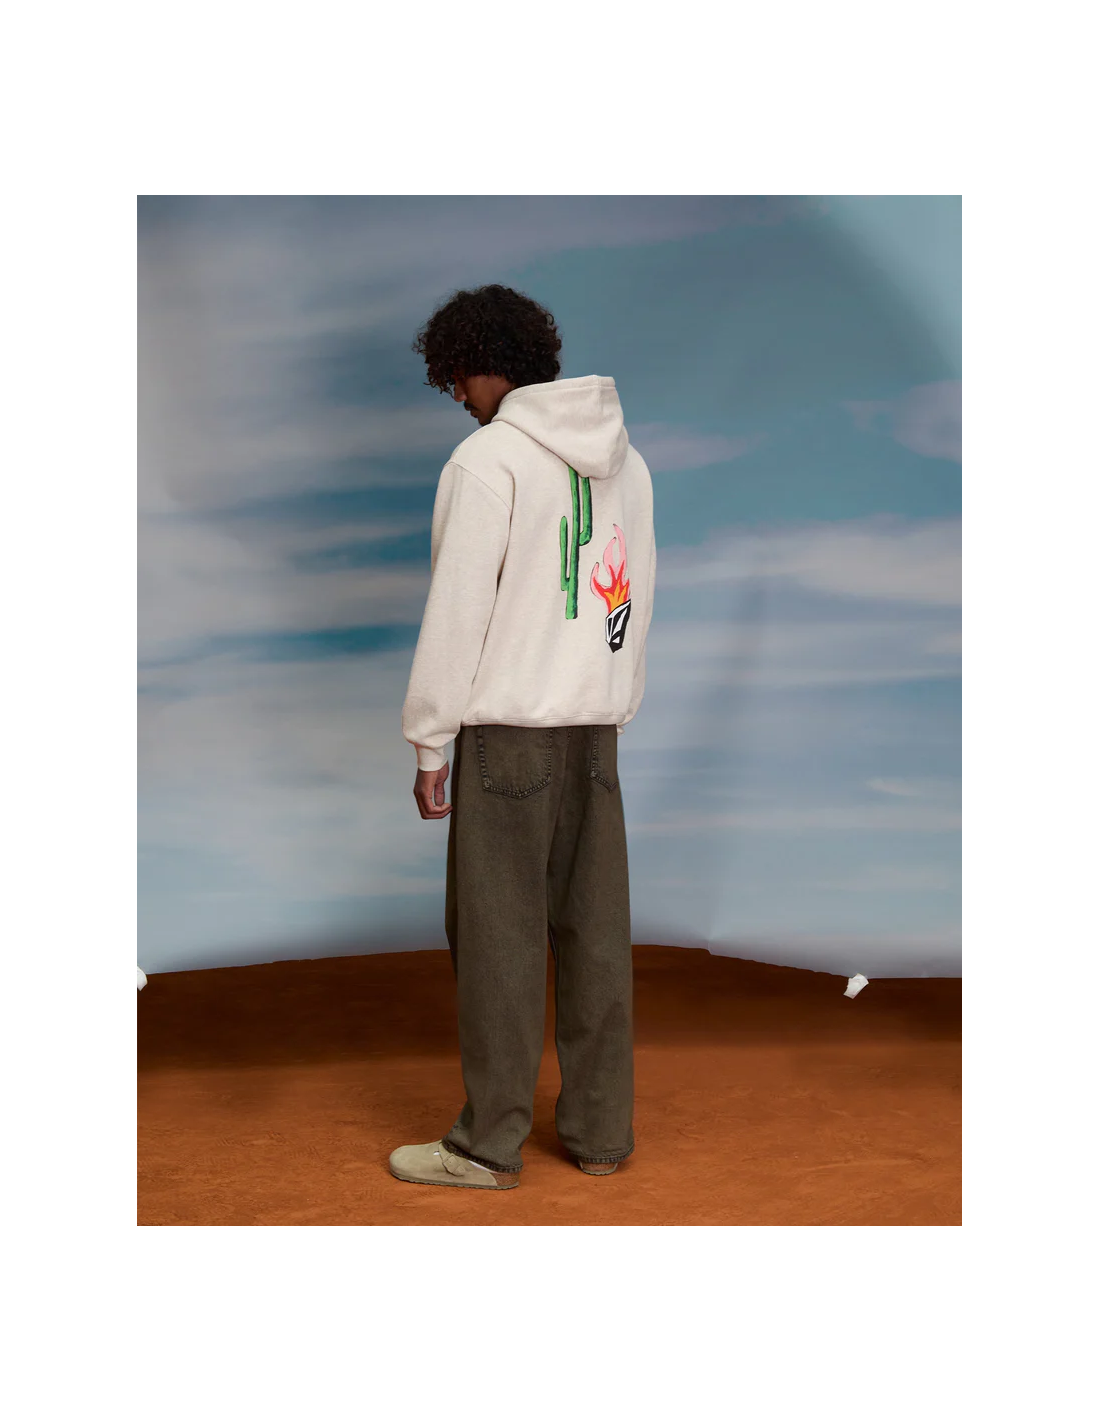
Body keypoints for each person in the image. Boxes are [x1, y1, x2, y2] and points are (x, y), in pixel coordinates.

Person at [390, 284, 657, 1191]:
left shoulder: (487, 460)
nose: (457, 397)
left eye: (455, 379)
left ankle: (486, 1146)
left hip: (507, 735)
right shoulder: (629, 464)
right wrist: (615, 703)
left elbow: (458, 609)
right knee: (595, 935)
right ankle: (601, 1133)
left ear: (481, 366)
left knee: (499, 939)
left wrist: (430, 741)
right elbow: (635, 595)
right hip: (594, 732)